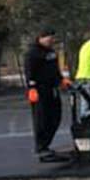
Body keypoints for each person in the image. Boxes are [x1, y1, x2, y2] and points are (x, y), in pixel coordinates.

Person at [25, 27, 69, 163]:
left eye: (52, 37)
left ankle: (47, 144)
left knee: (55, 117)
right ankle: (41, 147)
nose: (51, 40)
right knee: (41, 119)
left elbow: (54, 69)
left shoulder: (51, 52)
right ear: (40, 37)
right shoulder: (32, 53)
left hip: (52, 88)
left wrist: (61, 80)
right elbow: (29, 71)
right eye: (48, 37)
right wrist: (31, 88)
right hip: (39, 90)